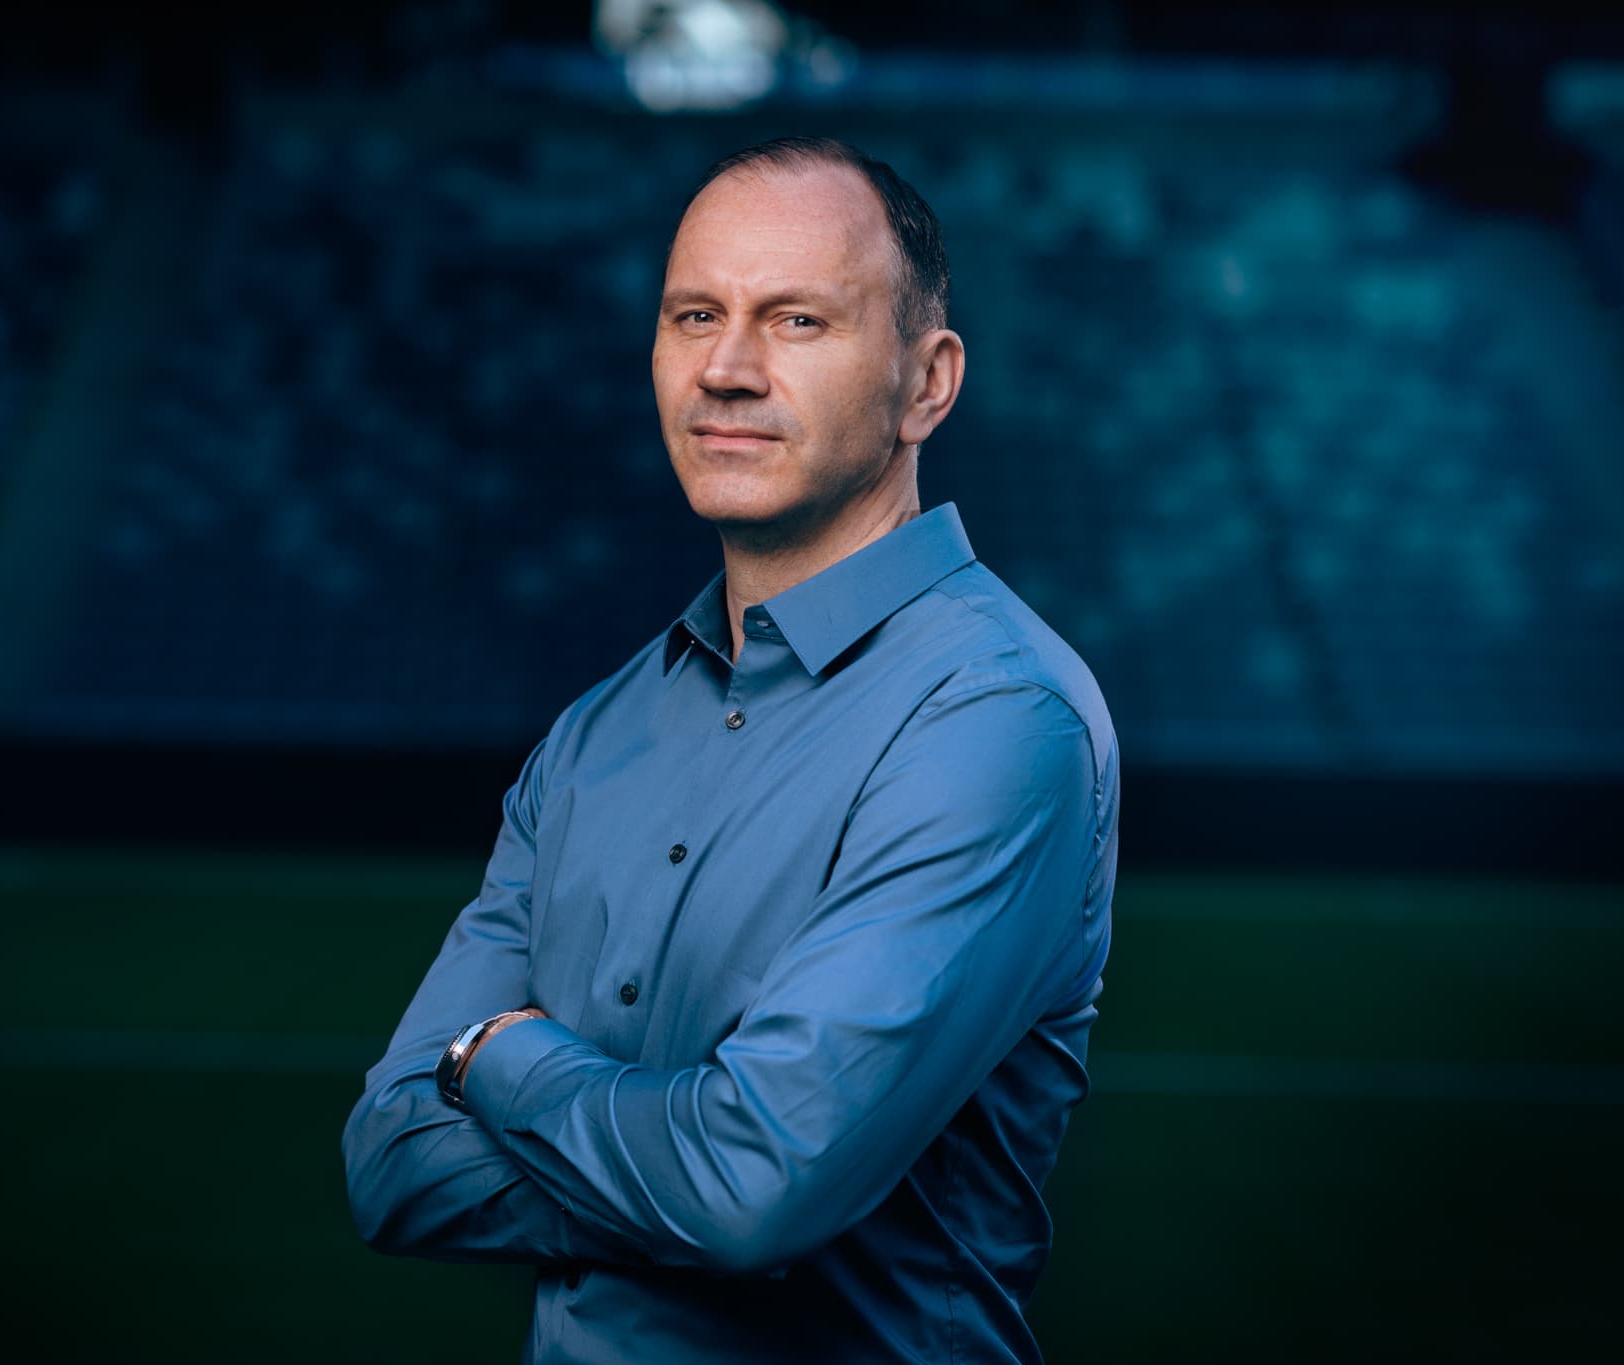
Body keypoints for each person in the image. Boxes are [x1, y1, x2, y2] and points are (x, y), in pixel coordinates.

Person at [341, 136, 1117, 1364]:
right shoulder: (595, 733)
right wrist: (682, 1176)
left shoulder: (994, 718)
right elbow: (391, 1161)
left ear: (925, 384)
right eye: (693, 316)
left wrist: (500, 1056)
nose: (726, 369)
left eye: (797, 320)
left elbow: (751, 1191)